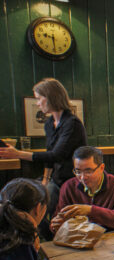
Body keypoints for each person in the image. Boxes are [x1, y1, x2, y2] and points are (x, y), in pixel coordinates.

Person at [0, 78, 87, 240]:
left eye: (39, 98)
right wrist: (45, 179)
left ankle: (48, 241)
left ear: (51, 96)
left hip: (73, 179)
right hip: (55, 178)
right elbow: (49, 153)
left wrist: (18, 154)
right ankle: (44, 240)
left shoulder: (72, 123)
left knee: (39, 206)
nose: (38, 103)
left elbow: (57, 155)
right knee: (28, 203)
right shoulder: (50, 123)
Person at [50, 146, 114, 233]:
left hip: (111, 240)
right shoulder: (68, 187)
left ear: (101, 168)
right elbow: (58, 219)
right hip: (79, 240)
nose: (82, 177)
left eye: (88, 171)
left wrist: (90, 210)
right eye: (78, 171)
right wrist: (56, 225)